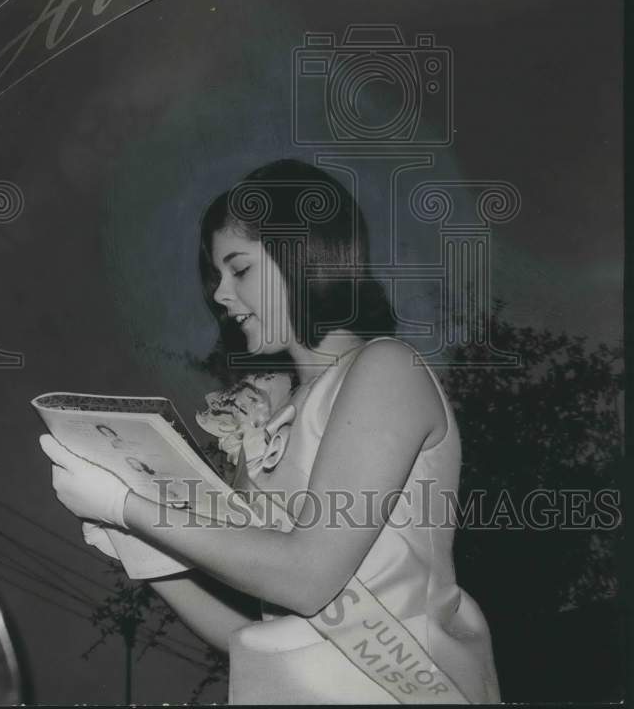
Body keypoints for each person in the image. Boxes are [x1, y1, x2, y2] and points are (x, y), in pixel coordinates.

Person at [40, 159, 501, 704]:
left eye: (239, 269)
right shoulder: (271, 423)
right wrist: (139, 547)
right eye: (217, 276)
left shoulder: (386, 369)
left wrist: (132, 508)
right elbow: (256, 636)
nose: (220, 295)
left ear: (300, 253)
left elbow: (306, 578)